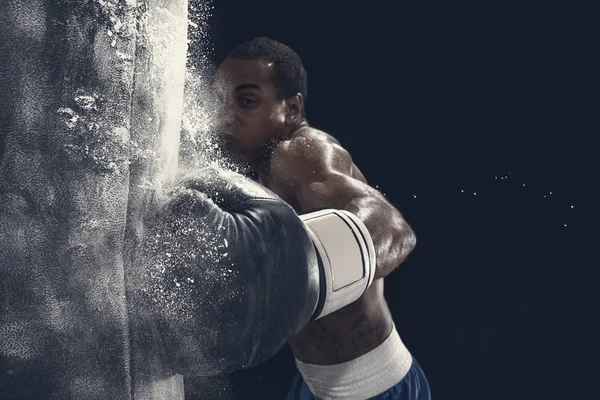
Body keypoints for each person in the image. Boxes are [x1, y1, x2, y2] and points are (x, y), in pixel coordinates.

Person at [213, 37, 431, 400]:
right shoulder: (244, 170)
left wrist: (307, 272)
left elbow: (393, 229)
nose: (226, 116)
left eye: (247, 101)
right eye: (218, 101)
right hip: (311, 386)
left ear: (293, 108)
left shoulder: (299, 152)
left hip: (377, 389)